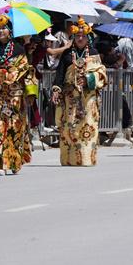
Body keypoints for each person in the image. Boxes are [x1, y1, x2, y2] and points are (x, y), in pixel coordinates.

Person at [0, 12, 38, 174]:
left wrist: (29, 92)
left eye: (4, 28)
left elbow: (26, 70)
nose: (0, 31)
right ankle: (0, 163)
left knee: (14, 127)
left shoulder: (18, 48)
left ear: (10, 31)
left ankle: (13, 162)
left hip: (14, 95)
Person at [51, 18, 107, 167]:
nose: (80, 38)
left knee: (87, 126)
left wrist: (89, 79)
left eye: (83, 36)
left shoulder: (93, 53)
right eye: (77, 36)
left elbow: (101, 73)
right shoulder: (67, 53)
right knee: (70, 127)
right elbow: (60, 74)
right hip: (70, 96)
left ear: (88, 38)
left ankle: (86, 158)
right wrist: (56, 89)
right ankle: (70, 159)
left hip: (88, 97)